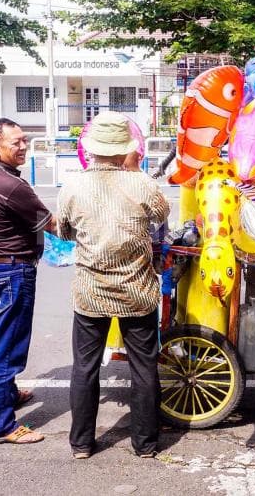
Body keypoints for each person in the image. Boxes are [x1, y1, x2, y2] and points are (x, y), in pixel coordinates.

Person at [56, 111, 170, 459]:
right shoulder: (142, 183)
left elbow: (63, 231)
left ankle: (81, 444)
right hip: (137, 292)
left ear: (91, 150)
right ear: (125, 150)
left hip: (91, 291)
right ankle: (146, 444)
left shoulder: (72, 185)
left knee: (85, 368)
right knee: (144, 367)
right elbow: (162, 215)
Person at [0, 118, 55, 444]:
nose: (23, 147)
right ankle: (3, 427)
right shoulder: (13, 187)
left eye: (24, 140)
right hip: (12, 273)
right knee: (5, 352)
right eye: (16, 143)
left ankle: (9, 395)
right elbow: (51, 223)